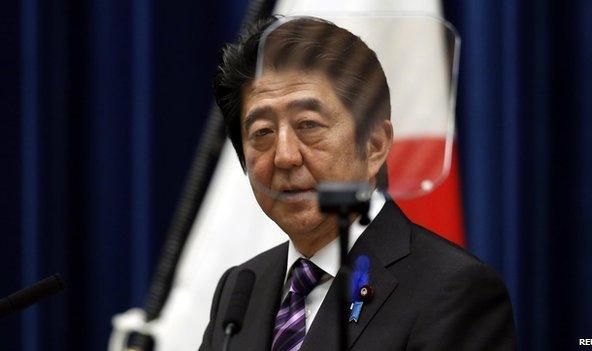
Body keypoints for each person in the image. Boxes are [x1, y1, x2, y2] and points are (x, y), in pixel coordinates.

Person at [199, 16, 516, 351]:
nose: (285, 156)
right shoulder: (242, 288)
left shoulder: (453, 290)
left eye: (308, 124)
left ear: (375, 144)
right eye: (262, 132)